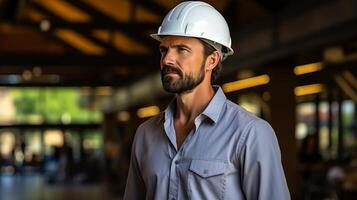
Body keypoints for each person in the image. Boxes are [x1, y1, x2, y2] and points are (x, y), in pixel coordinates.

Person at [124, 1, 290, 199]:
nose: (167, 59)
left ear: (211, 60)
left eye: (181, 50)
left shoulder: (250, 134)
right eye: (164, 50)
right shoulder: (145, 135)